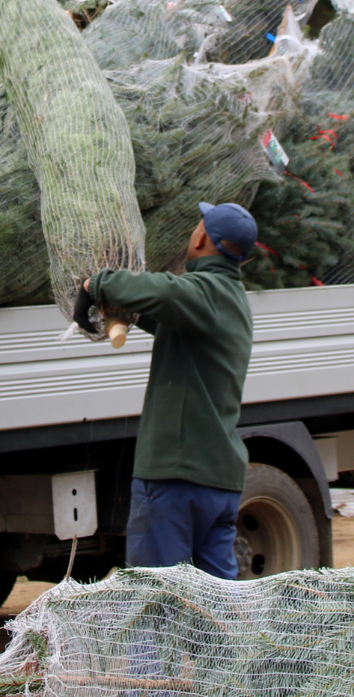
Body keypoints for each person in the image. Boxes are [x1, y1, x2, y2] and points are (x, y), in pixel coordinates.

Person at [78, 202, 257, 579]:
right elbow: (171, 318)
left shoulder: (206, 293)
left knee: (156, 605)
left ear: (202, 237)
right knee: (216, 609)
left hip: (177, 479)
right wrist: (130, 313)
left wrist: (97, 284)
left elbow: (162, 290)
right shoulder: (228, 300)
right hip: (218, 483)